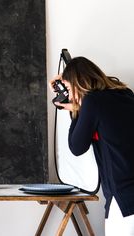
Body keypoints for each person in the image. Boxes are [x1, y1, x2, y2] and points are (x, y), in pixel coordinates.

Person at [49, 56, 134, 235]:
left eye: (70, 88)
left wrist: (74, 112)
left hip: (123, 198)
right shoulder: (125, 93)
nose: (70, 95)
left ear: (78, 82)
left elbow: (76, 147)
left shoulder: (92, 101)